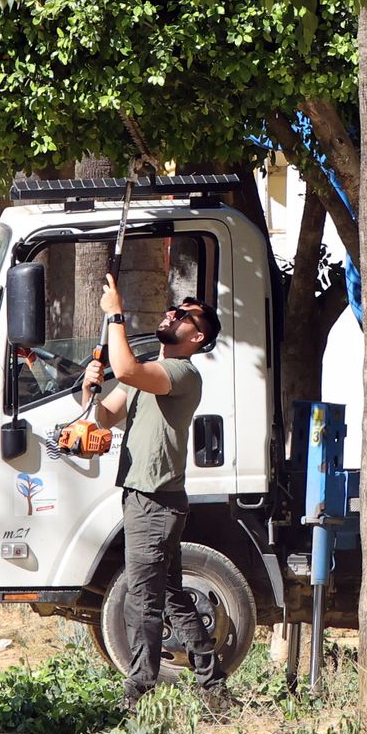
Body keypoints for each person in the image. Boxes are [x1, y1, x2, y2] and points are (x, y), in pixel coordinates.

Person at [79, 276, 224, 707]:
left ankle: (139, 691)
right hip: (142, 498)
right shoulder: (146, 373)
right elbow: (106, 417)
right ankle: (213, 684)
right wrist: (89, 389)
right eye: (173, 310)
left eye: (184, 315)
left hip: (155, 502)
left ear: (196, 338)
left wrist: (115, 314)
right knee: (171, 596)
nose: (172, 314)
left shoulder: (182, 373)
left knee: (142, 598)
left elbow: (126, 369)